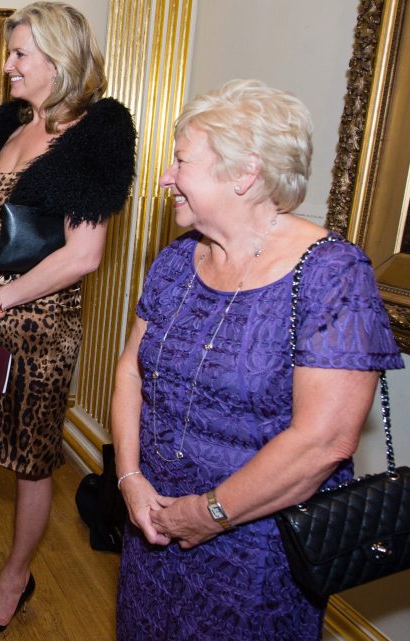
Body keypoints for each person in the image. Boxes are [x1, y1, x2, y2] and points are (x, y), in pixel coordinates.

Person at [111, 79, 403, 641]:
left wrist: (207, 514)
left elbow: (324, 442)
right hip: (150, 523)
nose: (166, 177)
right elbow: (130, 370)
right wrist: (129, 480)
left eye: (180, 161)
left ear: (244, 174)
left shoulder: (332, 275)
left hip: (258, 552)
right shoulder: (175, 262)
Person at [0, 2, 135, 633]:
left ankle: (16, 577)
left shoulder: (97, 135)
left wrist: (1, 300)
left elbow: (85, 254)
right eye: (11, 51)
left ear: (59, 59)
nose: (8, 63)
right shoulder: (5, 125)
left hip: (39, 330)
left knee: (29, 462)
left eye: (20, 53)